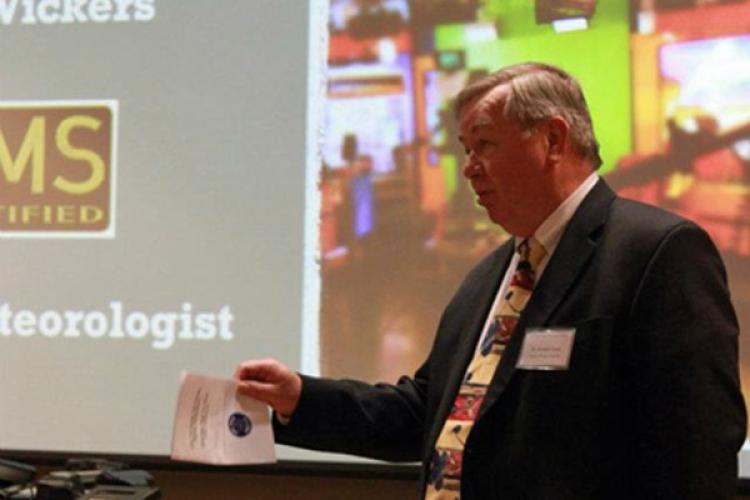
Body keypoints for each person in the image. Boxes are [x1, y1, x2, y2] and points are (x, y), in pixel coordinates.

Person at [235, 62, 746, 499]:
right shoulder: (492, 273)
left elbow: (698, 448)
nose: (470, 169)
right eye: (466, 149)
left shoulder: (657, 251)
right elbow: (425, 413)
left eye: (484, 145)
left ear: (553, 139)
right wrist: (299, 397)